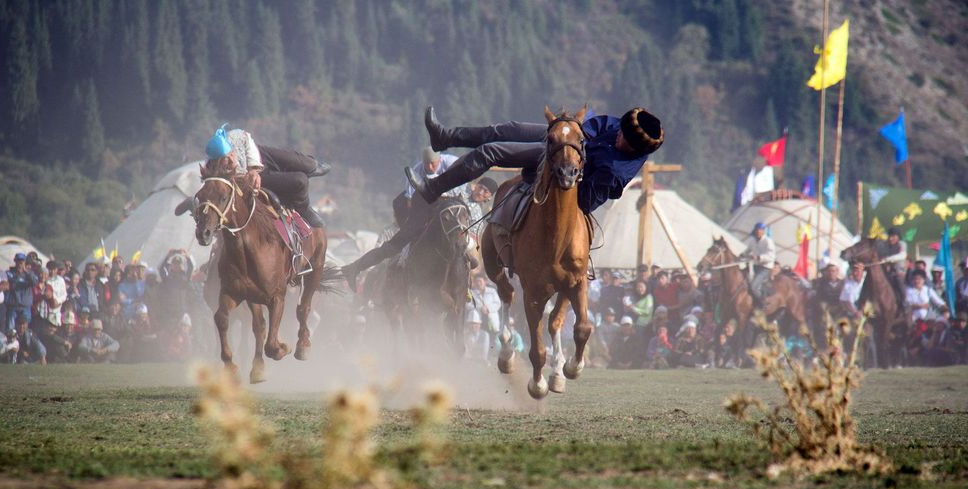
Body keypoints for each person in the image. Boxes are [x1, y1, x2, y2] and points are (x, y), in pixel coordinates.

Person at [407, 106, 664, 214]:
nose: (618, 133)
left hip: (565, 167)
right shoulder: (624, 128)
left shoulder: (617, 171)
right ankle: (445, 137)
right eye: (620, 130)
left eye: (623, 138)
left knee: (491, 152)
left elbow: (586, 201)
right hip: (569, 142)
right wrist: (570, 132)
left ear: (633, 147)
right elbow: (592, 126)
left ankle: (433, 188)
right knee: (508, 128)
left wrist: (571, 160)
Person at [341, 147, 490, 291]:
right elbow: (411, 204)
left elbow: (463, 184)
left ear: (440, 160)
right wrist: (412, 227)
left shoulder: (451, 163)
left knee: (460, 242)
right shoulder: (417, 172)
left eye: (434, 164)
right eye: (427, 164)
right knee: (394, 246)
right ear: (423, 162)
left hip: (448, 211)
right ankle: (354, 268)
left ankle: (460, 280)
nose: (431, 167)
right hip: (421, 207)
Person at [178, 124, 330, 228]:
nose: (231, 160)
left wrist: (253, 168)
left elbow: (248, 141)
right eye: (226, 160)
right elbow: (217, 191)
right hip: (251, 180)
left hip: (259, 158)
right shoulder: (215, 171)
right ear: (217, 161)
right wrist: (243, 177)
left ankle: (313, 166)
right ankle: (304, 209)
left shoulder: (235, 137)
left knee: (301, 162)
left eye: (231, 154)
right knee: (300, 181)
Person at [5, 253, 38, 331]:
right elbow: (12, 284)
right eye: (18, 261)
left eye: (22, 262)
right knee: (11, 328)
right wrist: (18, 274)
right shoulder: (9, 273)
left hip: (25, 306)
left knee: (25, 329)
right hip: (13, 305)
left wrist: (26, 272)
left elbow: (35, 283)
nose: (20, 264)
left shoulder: (30, 273)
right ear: (15, 262)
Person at [746, 222, 777, 302]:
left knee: (754, 287)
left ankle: (762, 303)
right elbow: (747, 250)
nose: (758, 232)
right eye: (757, 230)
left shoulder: (768, 241)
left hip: (765, 268)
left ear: (763, 231)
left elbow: (771, 256)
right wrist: (741, 255)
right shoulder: (752, 240)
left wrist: (759, 257)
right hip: (755, 266)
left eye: (760, 230)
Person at [878, 227, 908, 294]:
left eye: (893, 236)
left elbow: (902, 255)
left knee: (899, 284)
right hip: (886, 272)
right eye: (889, 236)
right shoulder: (885, 245)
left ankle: (905, 301)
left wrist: (888, 259)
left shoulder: (902, 244)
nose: (890, 238)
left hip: (898, 272)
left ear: (898, 237)